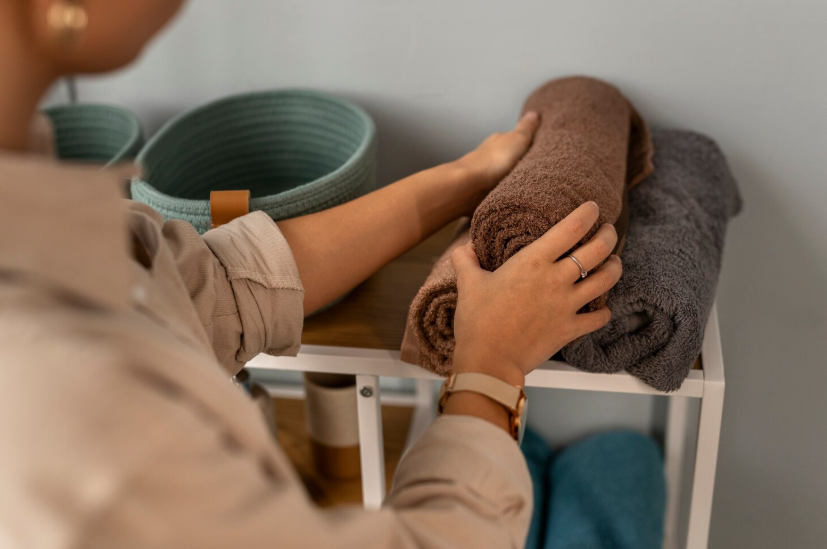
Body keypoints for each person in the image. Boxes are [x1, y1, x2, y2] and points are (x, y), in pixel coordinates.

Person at [0, 1, 622, 548]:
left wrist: (465, 180)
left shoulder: (48, 242)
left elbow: (217, 283)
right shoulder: (74, 410)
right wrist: (492, 366)